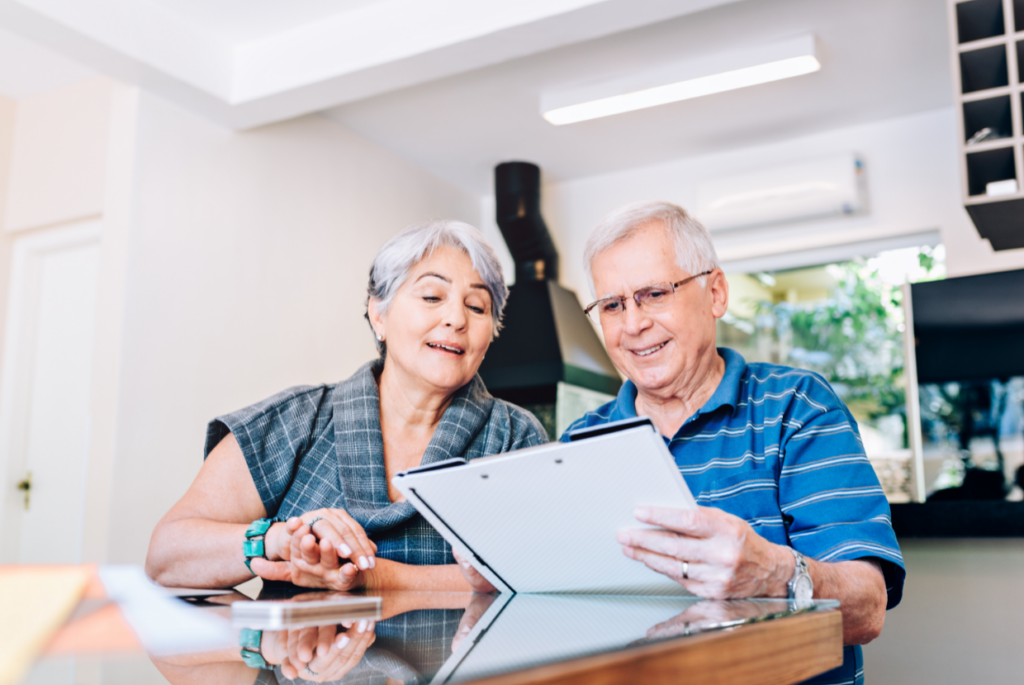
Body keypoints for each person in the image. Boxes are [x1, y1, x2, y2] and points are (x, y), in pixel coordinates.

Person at [561, 201, 905, 684]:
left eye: (654, 293)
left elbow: (868, 607)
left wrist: (776, 575)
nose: (633, 324)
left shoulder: (798, 406)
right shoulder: (579, 442)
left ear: (715, 293)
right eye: (612, 305)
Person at [146, 221, 547, 592]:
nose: (456, 318)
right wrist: (281, 539)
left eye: (477, 307)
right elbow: (165, 556)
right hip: (303, 665)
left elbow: (539, 575)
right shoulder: (297, 420)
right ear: (379, 315)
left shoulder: (515, 437)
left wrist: (373, 577)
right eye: (431, 296)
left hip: (466, 669)